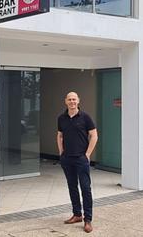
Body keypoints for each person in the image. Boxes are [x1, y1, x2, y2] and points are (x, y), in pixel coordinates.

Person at [57, 92, 98, 233]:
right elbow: (60, 135)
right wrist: (61, 152)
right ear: (65, 101)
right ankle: (77, 214)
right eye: (69, 99)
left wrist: (87, 154)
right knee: (72, 187)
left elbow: (94, 135)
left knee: (85, 189)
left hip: (81, 159)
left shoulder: (85, 117)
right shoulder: (61, 118)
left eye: (74, 99)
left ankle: (88, 220)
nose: (72, 101)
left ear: (78, 101)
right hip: (67, 159)